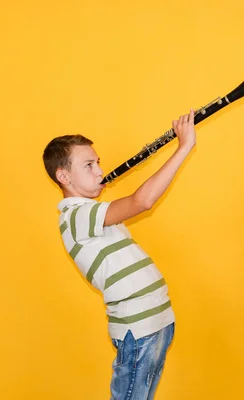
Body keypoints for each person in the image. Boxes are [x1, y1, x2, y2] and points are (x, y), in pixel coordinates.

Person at [42, 110, 197, 399]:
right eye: (88, 165)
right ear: (63, 176)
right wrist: (183, 147)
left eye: (97, 163)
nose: (100, 171)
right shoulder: (76, 216)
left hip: (155, 324)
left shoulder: (92, 213)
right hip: (137, 331)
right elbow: (143, 201)